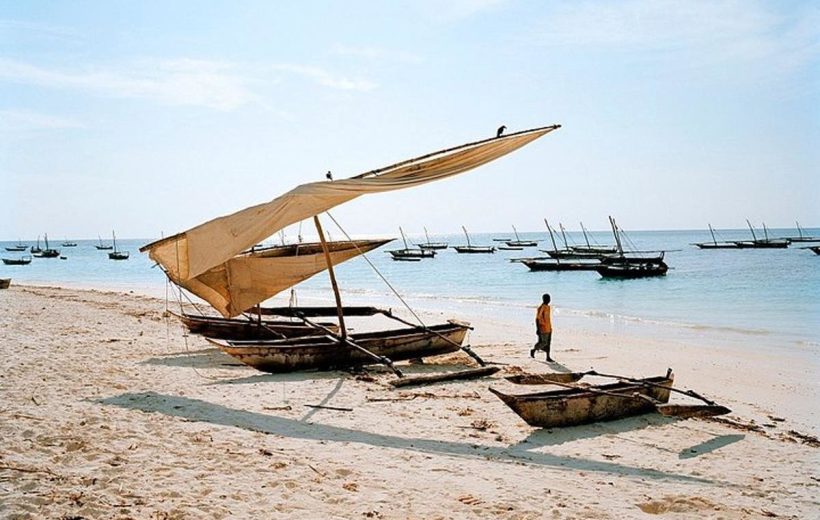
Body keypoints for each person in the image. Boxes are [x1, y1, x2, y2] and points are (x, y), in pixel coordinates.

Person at [531, 293, 554, 361]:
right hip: (543, 328)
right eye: (547, 299)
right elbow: (537, 319)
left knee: (548, 344)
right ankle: (534, 349)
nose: (548, 300)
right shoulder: (541, 307)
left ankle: (548, 357)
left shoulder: (548, 307)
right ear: (543, 299)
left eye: (549, 299)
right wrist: (537, 329)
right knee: (543, 343)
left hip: (549, 327)